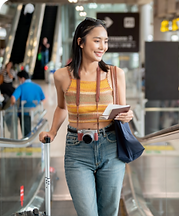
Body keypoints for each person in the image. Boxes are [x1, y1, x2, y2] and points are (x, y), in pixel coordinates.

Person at [38, 17, 133, 216]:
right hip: (77, 150)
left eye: (105, 41)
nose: (102, 47)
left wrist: (126, 115)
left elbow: (122, 109)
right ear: (80, 42)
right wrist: (52, 131)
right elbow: (62, 107)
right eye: (97, 40)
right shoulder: (62, 76)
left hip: (111, 146)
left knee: (109, 212)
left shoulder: (115, 74)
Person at [11, 70, 45, 137]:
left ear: (22, 78)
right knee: (34, 132)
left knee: (26, 134)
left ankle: (28, 147)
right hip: (36, 113)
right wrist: (35, 107)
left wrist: (13, 105)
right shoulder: (37, 86)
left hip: (24, 114)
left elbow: (13, 98)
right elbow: (43, 99)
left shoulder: (21, 87)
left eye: (19, 79)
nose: (19, 81)